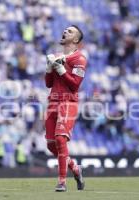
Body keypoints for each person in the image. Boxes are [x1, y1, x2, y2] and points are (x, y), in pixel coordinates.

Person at [44, 25, 87, 192]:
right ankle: (75, 168)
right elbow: (48, 83)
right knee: (50, 144)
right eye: (65, 30)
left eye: (70, 31)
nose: (65, 32)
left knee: (61, 139)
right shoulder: (56, 57)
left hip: (68, 102)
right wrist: (49, 68)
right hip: (52, 102)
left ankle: (62, 181)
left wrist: (61, 69)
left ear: (76, 39)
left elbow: (75, 84)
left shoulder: (80, 59)